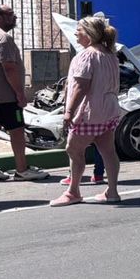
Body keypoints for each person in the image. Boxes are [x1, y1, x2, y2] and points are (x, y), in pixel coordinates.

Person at [50, 16, 121, 205]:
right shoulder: (110, 55)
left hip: (89, 113)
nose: (76, 33)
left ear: (89, 33)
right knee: (108, 151)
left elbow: (81, 86)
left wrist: (68, 112)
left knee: (73, 149)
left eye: (79, 29)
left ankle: (73, 192)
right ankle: (112, 192)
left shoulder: (86, 56)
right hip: (108, 110)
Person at [0, 5, 48, 182]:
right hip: (6, 94)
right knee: (17, 130)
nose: (14, 17)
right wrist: (20, 93)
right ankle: (22, 169)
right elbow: (9, 68)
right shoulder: (3, 38)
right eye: (10, 14)